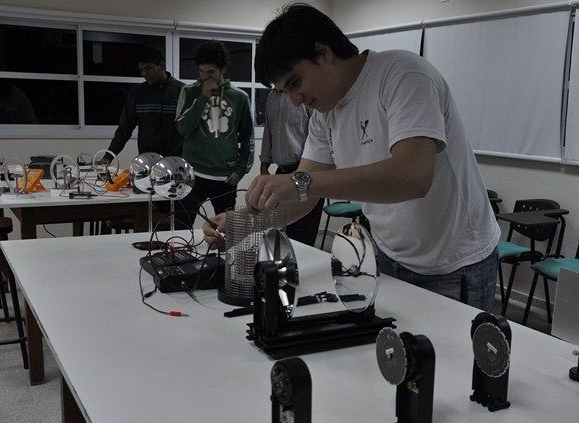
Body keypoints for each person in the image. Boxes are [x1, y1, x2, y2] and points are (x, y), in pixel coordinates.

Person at [204, 4, 500, 311]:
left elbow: (413, 177)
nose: (295, 101)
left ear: (324, 52)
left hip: (454, 264)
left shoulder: (404, 76)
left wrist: (299, 182)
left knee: (450, 359)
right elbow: (304, 198)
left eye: (295, 83)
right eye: (284, 91)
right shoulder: (324, 113)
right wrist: (245, 225)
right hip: (389, 256)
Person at [175, 40, 254, 227]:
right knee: (181, 226)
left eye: (210, 72)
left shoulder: (240, 97)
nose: (205, 77)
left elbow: (247, 138)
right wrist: (203, 98)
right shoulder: (189, 91)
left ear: (223, 68)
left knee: (226, 231)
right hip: (191, 172)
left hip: (224, 176)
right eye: (201, 71)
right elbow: (182, 128)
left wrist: (240, 171)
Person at [260, 88, 322, 246]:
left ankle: (302, 269)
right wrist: (264, 164)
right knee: (280, 230)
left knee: (303, 233)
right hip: (281, 172)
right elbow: (268, 130)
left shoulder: (303, 95)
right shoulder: (272, 97)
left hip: (305, 169)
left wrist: (302, 168)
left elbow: (315, 136)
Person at [107, 47, 185, 160]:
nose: (144, 73)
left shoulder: (181, 91)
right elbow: (125, 128)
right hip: (147, 160)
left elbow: (191, 129)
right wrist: (109, 156)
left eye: (148, 68)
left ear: (161, 65)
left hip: (176, 160)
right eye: (141, 70)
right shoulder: (137, 93)